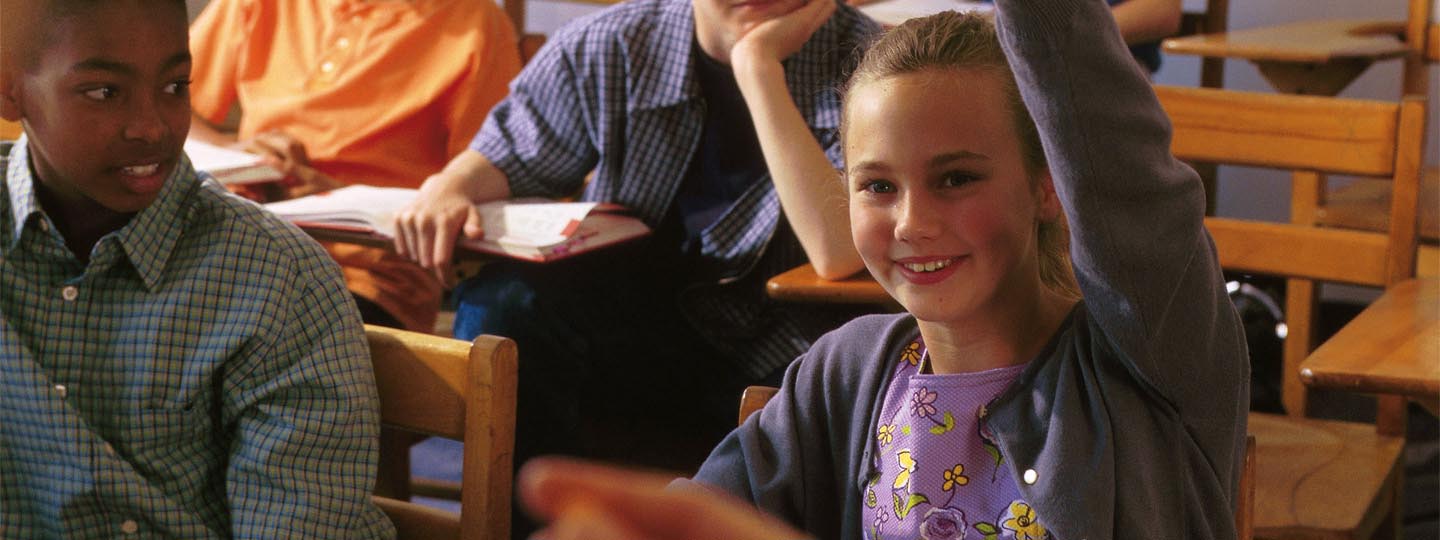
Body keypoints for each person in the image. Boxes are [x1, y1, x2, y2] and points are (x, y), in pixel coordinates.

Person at [519, 1, 1249, 539]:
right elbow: (700, 515)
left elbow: (1111, 147)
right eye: (877, 186)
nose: (911, 223)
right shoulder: (848, 372)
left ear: (1049, 185)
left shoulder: (1148, 357)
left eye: (957, 178)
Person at [394, 0, 878, 482]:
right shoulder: (615, 43)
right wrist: (451, 186)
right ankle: (523, 521)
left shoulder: (873, 65)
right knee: (502, 304)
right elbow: (508, 155)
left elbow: (839, 249)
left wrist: (757, 70)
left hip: (778, 354)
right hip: (625, 339)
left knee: (841, 384)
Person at [0, 0, 393, 536]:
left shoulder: (275, 280)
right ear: (9, 88)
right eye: (104, 92)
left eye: (175, 86)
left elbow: (300, 522)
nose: (151, 127)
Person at [188, 0, 523, 332]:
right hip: (236, 242)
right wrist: (233, 151)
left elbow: (489, 193)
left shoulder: (477, 25)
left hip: (368, 277)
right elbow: (163, 99)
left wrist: (336, 198)